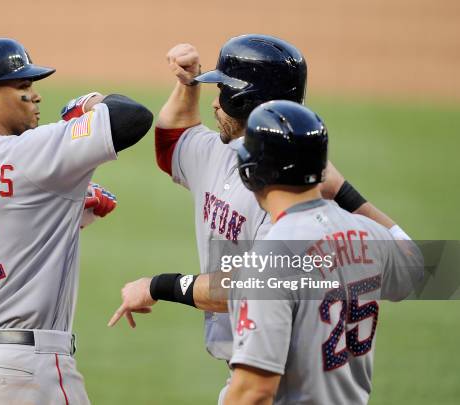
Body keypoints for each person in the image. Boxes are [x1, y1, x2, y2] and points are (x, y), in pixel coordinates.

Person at [108, 34, 410, 401]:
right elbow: (420, 267)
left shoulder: (277, 251)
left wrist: (161, 285)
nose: (214, 103)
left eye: (220, 90)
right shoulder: (361, 232)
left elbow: (254, 378)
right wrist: (343, 190)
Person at [0, 37, 152, 405]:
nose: (36, 95)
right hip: (27, 368)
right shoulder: (28, 150)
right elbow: (133, 116)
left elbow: (6, 232)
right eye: (24, 86)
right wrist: (88, 104)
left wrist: (67, 210)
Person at [223, 100, 420, 404]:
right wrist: (343, 191)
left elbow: (254, 391)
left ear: (251, 172)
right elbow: (416, 266)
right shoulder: (367, 234)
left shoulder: (269, 262)